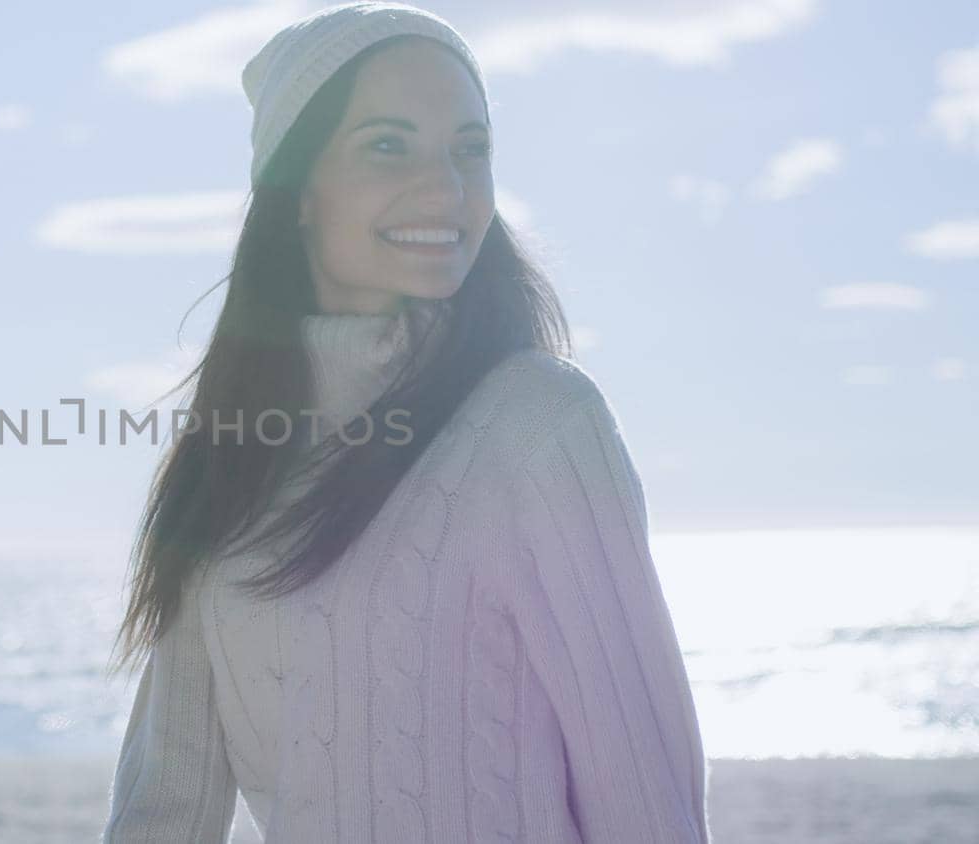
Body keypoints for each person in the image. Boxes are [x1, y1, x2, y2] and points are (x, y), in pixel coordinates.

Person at [100, 3, 710, 841]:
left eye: (471, 149)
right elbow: (163, 809)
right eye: (389, 144)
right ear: (296, 190)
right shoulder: (230, 461)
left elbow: (646, 800)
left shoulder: (539, 425)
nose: (447, 189)